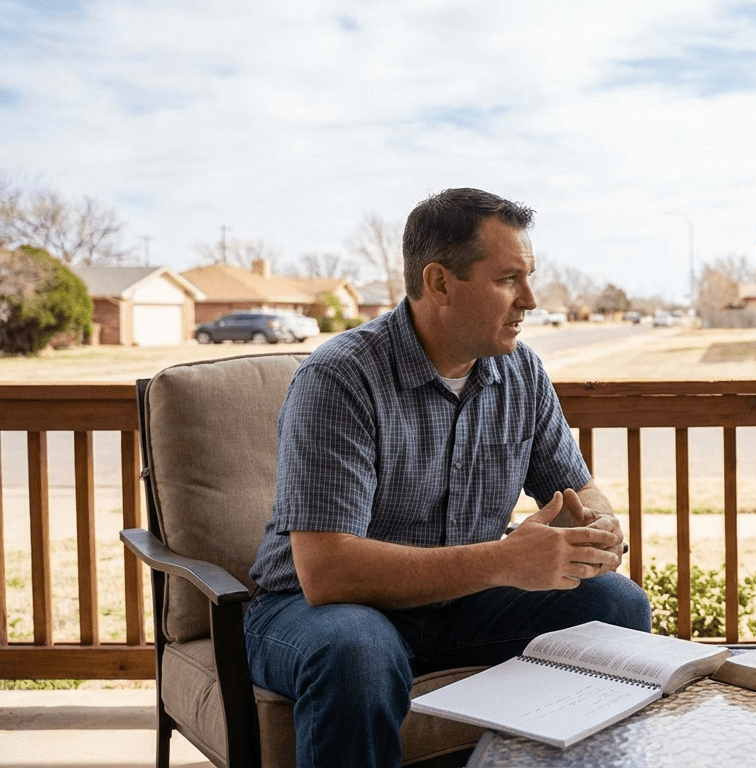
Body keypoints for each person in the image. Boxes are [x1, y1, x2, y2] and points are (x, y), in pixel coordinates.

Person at [245, 188, 652, 766]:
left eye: (528, 277)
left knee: (616, 605)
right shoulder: (340, 379)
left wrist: (598, 529)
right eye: (509, 279)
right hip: (312, 612)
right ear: (439, 283)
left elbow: (575, 488)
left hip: (461, 604)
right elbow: (327, 571)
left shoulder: (521, 371)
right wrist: (505, 561)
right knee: (357, 652)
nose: (530, 301)